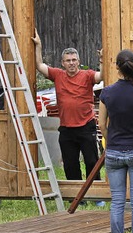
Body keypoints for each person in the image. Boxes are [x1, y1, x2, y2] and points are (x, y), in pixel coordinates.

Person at [32, 29, 102, 183]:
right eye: (68, 60)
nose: (71, 63)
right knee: (70, 164)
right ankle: (76, 195)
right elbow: (39, 65)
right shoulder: (58, 75)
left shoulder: (87, 75)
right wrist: (38, 45)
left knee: (92, 161)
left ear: (78, 61)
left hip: (86, 125)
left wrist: (102, 61)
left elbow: (101, 76)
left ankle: (95, 193)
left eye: (74, 60)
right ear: (62, 63)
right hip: (66, 128)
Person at [98, 49, 133, 233]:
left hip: (114, 152)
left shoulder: (107, 93)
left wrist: (110, 140)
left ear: (117, 67)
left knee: (117, 201)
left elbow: (102, 124)